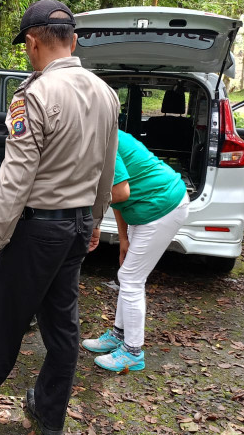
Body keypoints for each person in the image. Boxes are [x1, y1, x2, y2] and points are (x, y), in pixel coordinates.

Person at [0, 0, 119, 435]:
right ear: (73, 40)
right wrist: (94, 220)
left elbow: (15, 182)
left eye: (25, 47)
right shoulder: (106, 93)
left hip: (35, 230)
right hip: (73, 230)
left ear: (32, 42)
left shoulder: (33, 95)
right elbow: (106, 168)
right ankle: (51, 413)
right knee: (62, 323)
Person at [81, 130, 189, 372]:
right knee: (127, 275)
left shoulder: (101, 137)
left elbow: (119, 192)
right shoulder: (94, 134)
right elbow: (117, 195)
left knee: (131, 279)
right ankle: (119, 336)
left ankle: (133, 352)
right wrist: (123, 239)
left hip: (162, 205)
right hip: (145, 209)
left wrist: (88, 207)